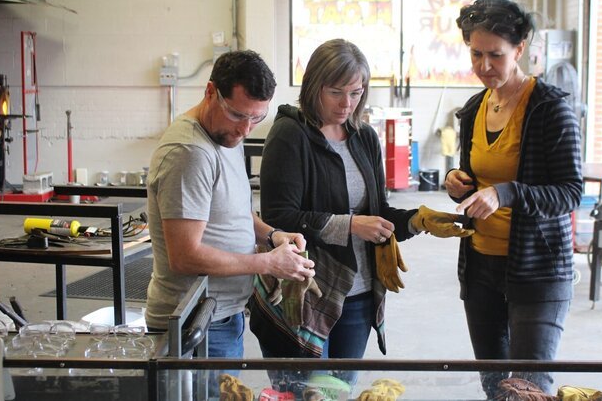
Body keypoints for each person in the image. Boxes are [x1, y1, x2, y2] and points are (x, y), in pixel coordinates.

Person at [247, 38, 472, 394]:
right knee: (303, 392)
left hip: (360, 293)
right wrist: (350, 224)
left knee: (340, 391)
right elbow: (280, 218)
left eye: (356, 93)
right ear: (313, 86)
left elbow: (377, 213)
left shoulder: (364, 137)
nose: (346, 104)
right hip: (304, 294)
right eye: (336, 92)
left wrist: (418, 220)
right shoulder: (291, 134)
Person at [144, 50, 315, 395]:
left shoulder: (226, 134)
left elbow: (233, 211)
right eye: (238, 114)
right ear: (210, 93)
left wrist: (273, 236)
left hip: (224, 316)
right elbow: (185, 256)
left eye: (256, 117)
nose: (245, 128)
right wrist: (268, 263)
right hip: (195, 324)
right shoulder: (190, 152)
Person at [444, 0, 582, 397]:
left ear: (520, 49)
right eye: (476, 54)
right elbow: (472, 174)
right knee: (495, 385)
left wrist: (506, 194)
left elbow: (571, 192)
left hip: (538, 272)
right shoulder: (474, 109)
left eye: (496, 55)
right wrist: (456, 180)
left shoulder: (550, 109)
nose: (484, 66)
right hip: (481, 266)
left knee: (527, 389)